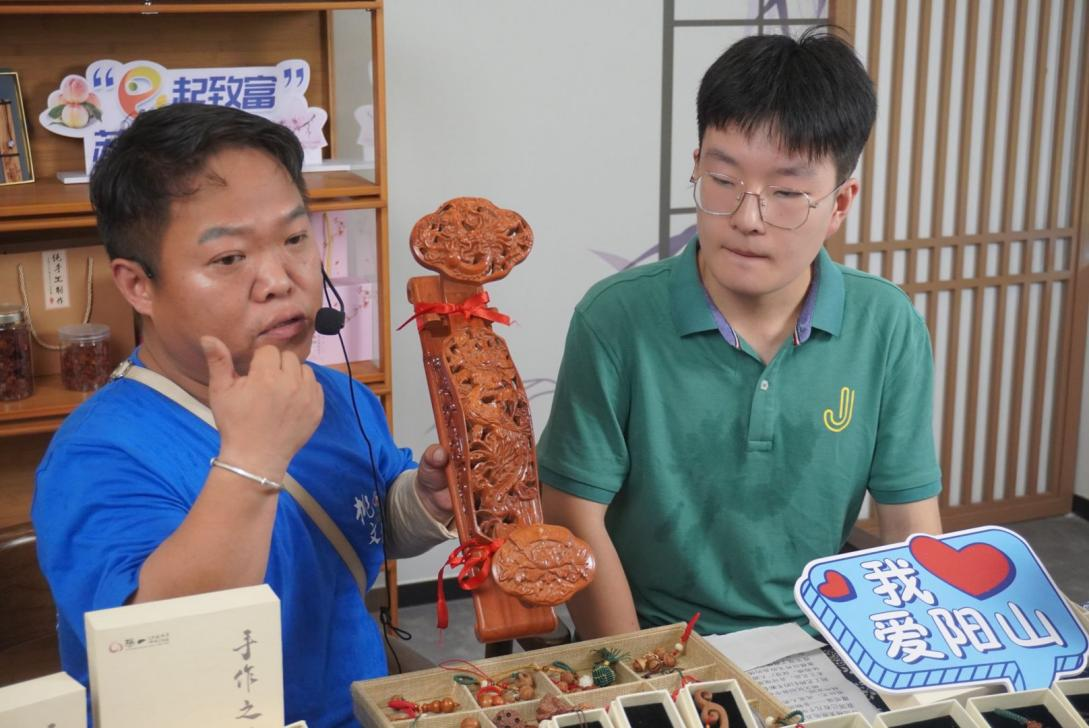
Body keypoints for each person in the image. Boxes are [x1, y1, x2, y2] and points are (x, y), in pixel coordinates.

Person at [32, 103, 456, 728]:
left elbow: (369, 521)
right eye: (229, 258)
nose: (280, 280)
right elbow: (160, 649)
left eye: (294, 239)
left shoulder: (334, 395)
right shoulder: (97, 455)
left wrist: (425, 500)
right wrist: (253, 458)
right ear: (138, 284)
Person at [537, 28, 943, 640]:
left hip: (825, 637)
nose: (748, 218)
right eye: (723, 181)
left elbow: (910, 523)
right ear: (696, 167)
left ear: (840, 204)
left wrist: (916, 658)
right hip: (656, 637)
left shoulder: (887, 324)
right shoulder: (615, 318)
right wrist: (636, 670)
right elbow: (572, 515)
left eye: (787, 193)